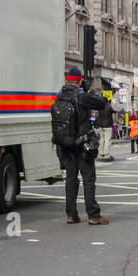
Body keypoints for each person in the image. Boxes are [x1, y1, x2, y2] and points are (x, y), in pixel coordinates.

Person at [52, 66, 109, 225]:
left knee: (71, 179)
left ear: (66, 81)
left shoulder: (59, 97)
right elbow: (101, 103)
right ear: (79, 81)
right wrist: (89, 91)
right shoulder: (81, 97)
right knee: (88, 179)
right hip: (82, 145)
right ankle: (93, 215)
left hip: (65, 145)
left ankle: (71, 215)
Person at [95, 89, 114, 162]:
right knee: (107, 140)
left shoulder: (99, 107)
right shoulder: (109, 107)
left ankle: (101, 153)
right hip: (108, 125)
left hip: (100, 125)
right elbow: (115, 110)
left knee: (101, 140)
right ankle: (106, 154)